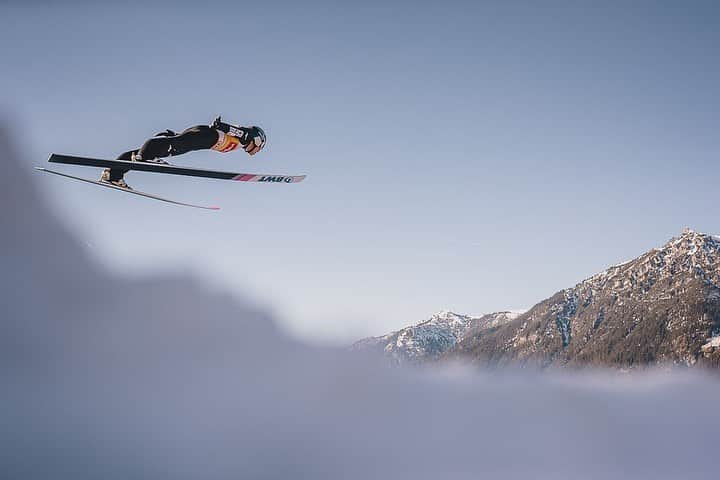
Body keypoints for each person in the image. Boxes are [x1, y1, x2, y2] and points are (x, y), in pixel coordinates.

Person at [101, 116, 266, 189]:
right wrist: (224, 126)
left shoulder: (241, 142)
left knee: (171, 147)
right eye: (258, 147)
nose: (255, 151)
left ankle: (113, 174)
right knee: (174, 145)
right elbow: (232, 130)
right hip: (207, 136)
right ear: (257, 139)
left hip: (204, 138)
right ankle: (146, 157)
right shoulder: (245, 136)